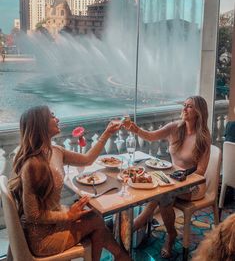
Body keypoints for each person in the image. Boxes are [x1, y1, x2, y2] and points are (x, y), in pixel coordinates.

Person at [8, 106, 130, 261]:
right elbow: (33, 216)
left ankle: (120, 256)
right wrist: (68, 215)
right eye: (52, 116)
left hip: (52, 222)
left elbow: (87, 159)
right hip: (42, 238)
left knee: (94, 217)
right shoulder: (33, 165)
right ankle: (121, 256)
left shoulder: (55, 151)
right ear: (40, 124)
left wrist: (106, 134)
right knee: (96, 221)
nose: (57, 119)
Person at [121, 95, 211, 258]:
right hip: (170, 179)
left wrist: (180, 179)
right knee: (157, 189)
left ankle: (161, 233)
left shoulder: (203, 137)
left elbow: (201, 171)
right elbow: (151, 136)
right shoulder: (175, 127)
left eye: (189, 106)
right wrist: (135, 129)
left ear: (199, 112)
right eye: (184, 105)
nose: (184, 109)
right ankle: (140, 225)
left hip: (193, 183)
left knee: (163, 194)